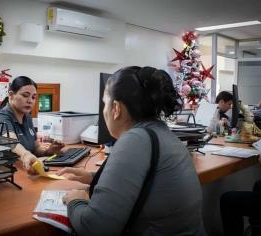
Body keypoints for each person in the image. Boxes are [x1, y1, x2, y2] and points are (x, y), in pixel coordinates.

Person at [58, 66, 205, 235]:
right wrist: (93, 178)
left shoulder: (135, 139)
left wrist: (76, 200)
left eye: (104, 103)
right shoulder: (160, 132)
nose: (104, 110)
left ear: (116, 108)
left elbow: (96, 228)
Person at [0, 76, 64, 172]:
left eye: (33, 97)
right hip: (4, 174)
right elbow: (12, 143)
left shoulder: (27, 117)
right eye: (25, 95)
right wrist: (25, 154)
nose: (30, 100)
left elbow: (36, 149)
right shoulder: (0, 118)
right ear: (11, 95)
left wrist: (48, 152)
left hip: (24, 171)